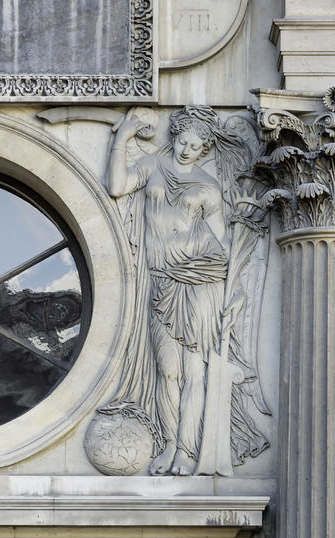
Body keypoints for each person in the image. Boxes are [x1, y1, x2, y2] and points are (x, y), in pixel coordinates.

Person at [106, 106, 232, 475]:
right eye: (183, 140)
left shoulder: (209, 186)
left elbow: (221, 239)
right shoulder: (152, 167)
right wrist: (122, 137)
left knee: (195, 371)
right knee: (168, 371)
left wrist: (231, 294)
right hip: (162, 280)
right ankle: (170, 445)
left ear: (205, 148)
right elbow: (116, 187)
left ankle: (187, 454)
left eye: (196, 145)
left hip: (201, 282)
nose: (187, 149)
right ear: (174, 136)